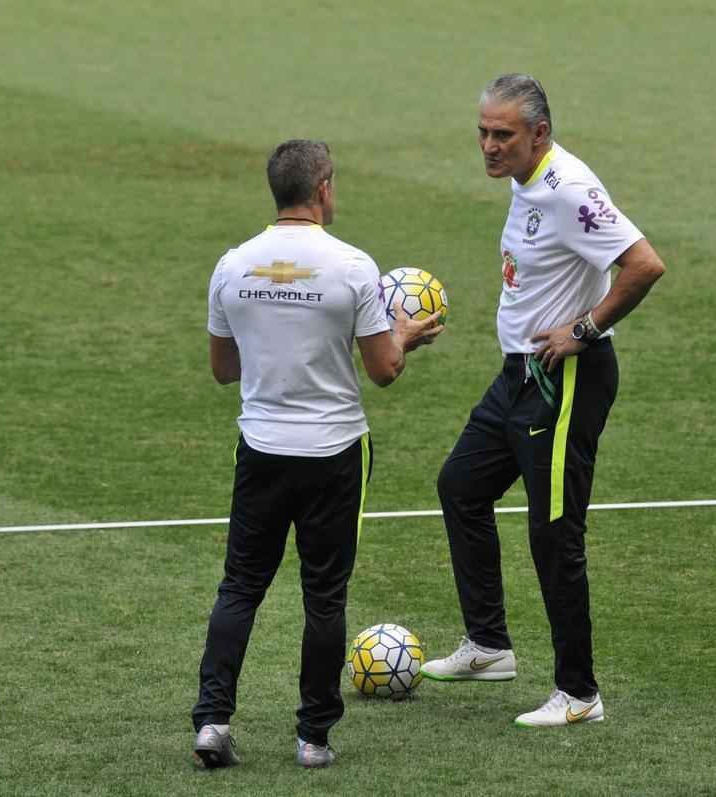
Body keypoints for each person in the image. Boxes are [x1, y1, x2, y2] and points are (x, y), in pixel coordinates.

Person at [422, 73, 667, 727]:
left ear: (539, 133)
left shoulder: (570, 190)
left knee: (554, 532)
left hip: (565, 380)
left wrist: (585, 328)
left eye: (503, 134)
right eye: (482, 132)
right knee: (460, 486)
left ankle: (579, 692)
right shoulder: (525, 182)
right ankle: (489, 645)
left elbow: (644, 263)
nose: (489, 146)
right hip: (518, 376)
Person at [191, 139, 441, 769]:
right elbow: (384, 370)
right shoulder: (353, 267)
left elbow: (223, 370)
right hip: (333, 453)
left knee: (241, 586)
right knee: (324, 596)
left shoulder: (232, 265)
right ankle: (312, 739)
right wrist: (405, 335)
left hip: (263, 448)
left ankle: (213, 721)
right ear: (323, 187)